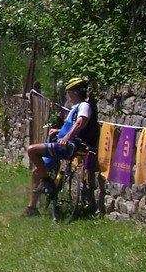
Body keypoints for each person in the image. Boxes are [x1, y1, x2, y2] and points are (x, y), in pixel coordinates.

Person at [23, 76, 97, 217]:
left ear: (75, 93)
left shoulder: (84, 106)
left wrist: (67, 137)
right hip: (61, 143)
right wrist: (59, 131)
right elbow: (72, 125)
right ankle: (32, 208)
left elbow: (80, 123)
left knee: (32, 150)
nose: (68, 96)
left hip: (66, 146)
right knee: (37, 172)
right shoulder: (76, 108)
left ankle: (47, 182)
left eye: (69, 92)